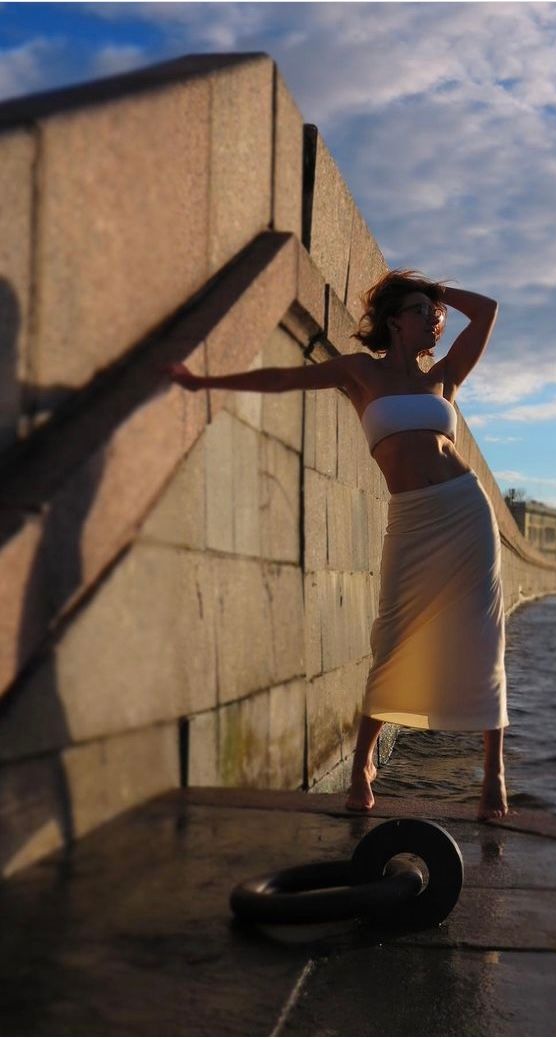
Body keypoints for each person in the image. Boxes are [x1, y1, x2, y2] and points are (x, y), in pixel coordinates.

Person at [167, 270, 508, 820]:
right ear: (394, 321)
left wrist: (437, 293)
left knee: (482, 632)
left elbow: (487, 309)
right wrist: (206, 382)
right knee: (392, 633)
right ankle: (362, 764)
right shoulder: (359, 373)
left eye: (437, 316)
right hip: (413, 518)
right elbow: (285, 378)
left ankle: (493, 774)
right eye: (421, 312)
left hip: (465, 511)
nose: (434, 322)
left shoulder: (444, 378)